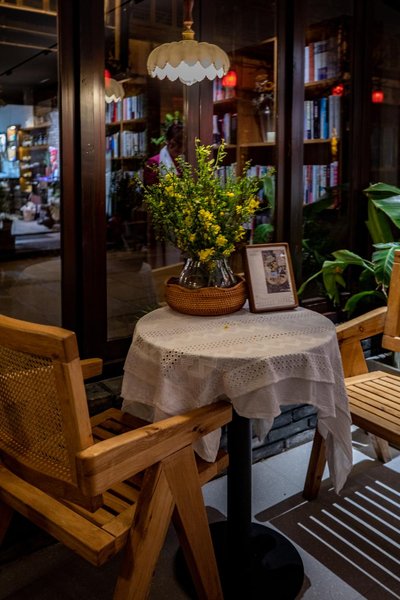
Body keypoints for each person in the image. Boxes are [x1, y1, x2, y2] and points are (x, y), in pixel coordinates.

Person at [143, 122, 184, 246]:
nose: (179, 151)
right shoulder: (154, 163)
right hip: (162, 217)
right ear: (170, 143)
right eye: (176, 145)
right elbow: (152, 194)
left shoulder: (185, 161)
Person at [143, 122, 183, 187]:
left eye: (181, 144)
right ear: (168, 142)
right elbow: (151, 189)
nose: (179, 148)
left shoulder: (185, 161)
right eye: (174, 144)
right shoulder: (153, 162)